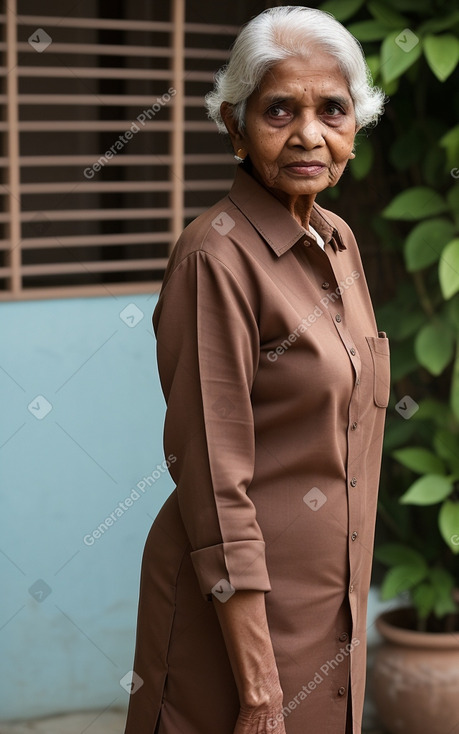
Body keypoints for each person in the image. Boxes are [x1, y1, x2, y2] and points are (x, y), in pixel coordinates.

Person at [124, 6, 389, 734]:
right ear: (235, 127)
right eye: (279, 110)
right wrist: (260, 685)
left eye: (331, 109)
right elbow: (213, 478)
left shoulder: (335, 240)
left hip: (329, 612)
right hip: (240, 627)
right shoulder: (216, 257)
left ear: (355, 128)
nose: (309, 133)